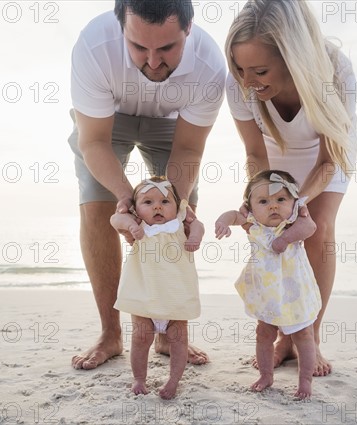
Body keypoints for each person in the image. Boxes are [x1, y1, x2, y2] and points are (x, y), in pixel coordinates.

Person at [67, 0, 226, 370]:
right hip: (107, 123)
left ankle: (166, 332)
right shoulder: (94, 45)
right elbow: (93, 142)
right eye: (139, 47)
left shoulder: (209, 65)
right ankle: (111, 333)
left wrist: (178, 205)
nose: (153, 62)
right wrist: (128, 201)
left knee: (178, 216)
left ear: (188, 29)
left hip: (173, 123)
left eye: (167, 48)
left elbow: (188, 147)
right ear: (121, 26)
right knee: (97, 203)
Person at [225, 0, 357, 376]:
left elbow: (332, 156)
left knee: (317, 231)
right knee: (275, 236)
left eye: (260, 70)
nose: (247, 81)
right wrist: (264, 199)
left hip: (326, 153)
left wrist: (297, 202)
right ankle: (281, 335)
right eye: (239, 68)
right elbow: (254, 151)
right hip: (273, 156)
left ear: (291, 57)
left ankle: (308, 337)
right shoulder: (239, 80)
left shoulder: (334, 69)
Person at [215, 170, 321, 399]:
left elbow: (310, 227)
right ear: (250, 207)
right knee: (263, 334)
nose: (273, 206)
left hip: (295, 293)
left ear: (294, 202)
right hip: (267, 295)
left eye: (281, 199)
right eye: (263, 201)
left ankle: (305, 381)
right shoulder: (253, 224)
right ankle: (266, 375)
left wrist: (284, 239)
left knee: (303, 335)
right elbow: (234, 215)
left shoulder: (294, 221)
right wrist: (223, 221)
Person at [111, 176, 203, 399]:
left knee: (179, 342)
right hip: (144, 299)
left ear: (177, 206)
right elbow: (116, 219)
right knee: (140, 339)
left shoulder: (181, 222)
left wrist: (196, 236)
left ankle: (173, 381)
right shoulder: (139, 226)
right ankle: (139, 378)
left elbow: (198, 225)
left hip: (176, 299)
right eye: (148, 202)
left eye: (164, 201)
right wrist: (131, 224)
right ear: (136, 209)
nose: (157, 207)